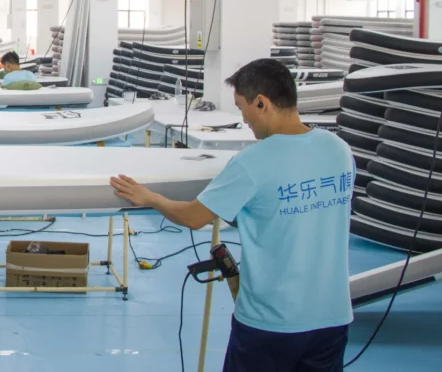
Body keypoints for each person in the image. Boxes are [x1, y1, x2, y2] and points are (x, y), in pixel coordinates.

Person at [110, 59, 355, 372]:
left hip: (272, 323)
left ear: (262, 103)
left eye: (242, 107)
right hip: (332, 319)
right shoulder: (338, 149)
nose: (243, 118)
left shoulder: (254, 160)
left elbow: (194, 218)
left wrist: (150, 197)